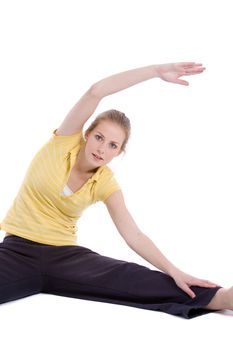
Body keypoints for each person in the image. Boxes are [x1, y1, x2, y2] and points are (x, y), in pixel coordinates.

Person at [0, 62, 232, 319]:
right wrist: (155, 72)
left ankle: (220, 298)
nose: (102, 149)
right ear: (87, 134)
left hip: (65, 257)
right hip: (16, 251)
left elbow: (133, 234)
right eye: (99, 138)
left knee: (127, 276)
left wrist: (173, 270)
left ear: (118, 152)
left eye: (112, 145)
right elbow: (96, 91)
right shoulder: (62, 144)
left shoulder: (106, 182)